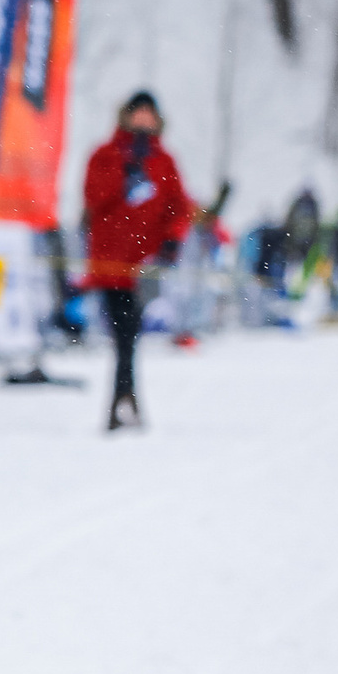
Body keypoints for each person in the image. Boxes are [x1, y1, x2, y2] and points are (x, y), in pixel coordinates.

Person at [79, 90, 197, 431]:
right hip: (110, 265)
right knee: (124, 333)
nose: (143, 121)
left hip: (145, 266)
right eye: (138, 114)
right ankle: (124, 400)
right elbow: (93, 198)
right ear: (126, 116)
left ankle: (123, 400)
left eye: (149, 115)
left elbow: (178, 207)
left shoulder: (164, 161)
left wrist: (173, 239)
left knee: (130, 334)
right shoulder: (105, 155)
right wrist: (124, 170)